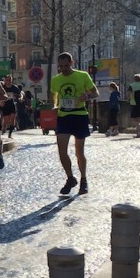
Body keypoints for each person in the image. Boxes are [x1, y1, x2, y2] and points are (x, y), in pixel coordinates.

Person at [50, 52, 99, 194]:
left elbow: (96, 93)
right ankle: (70, 178)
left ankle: (84, 180)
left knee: (79, 151)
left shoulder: (82, 75)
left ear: (71, 63)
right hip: (63, 116)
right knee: (62, 150)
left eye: (66, 66)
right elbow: (54, 96)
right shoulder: (56, 80)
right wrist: (54, 105)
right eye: (61, 67)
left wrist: (87, 96)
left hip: (79, 116)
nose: (64, 69)